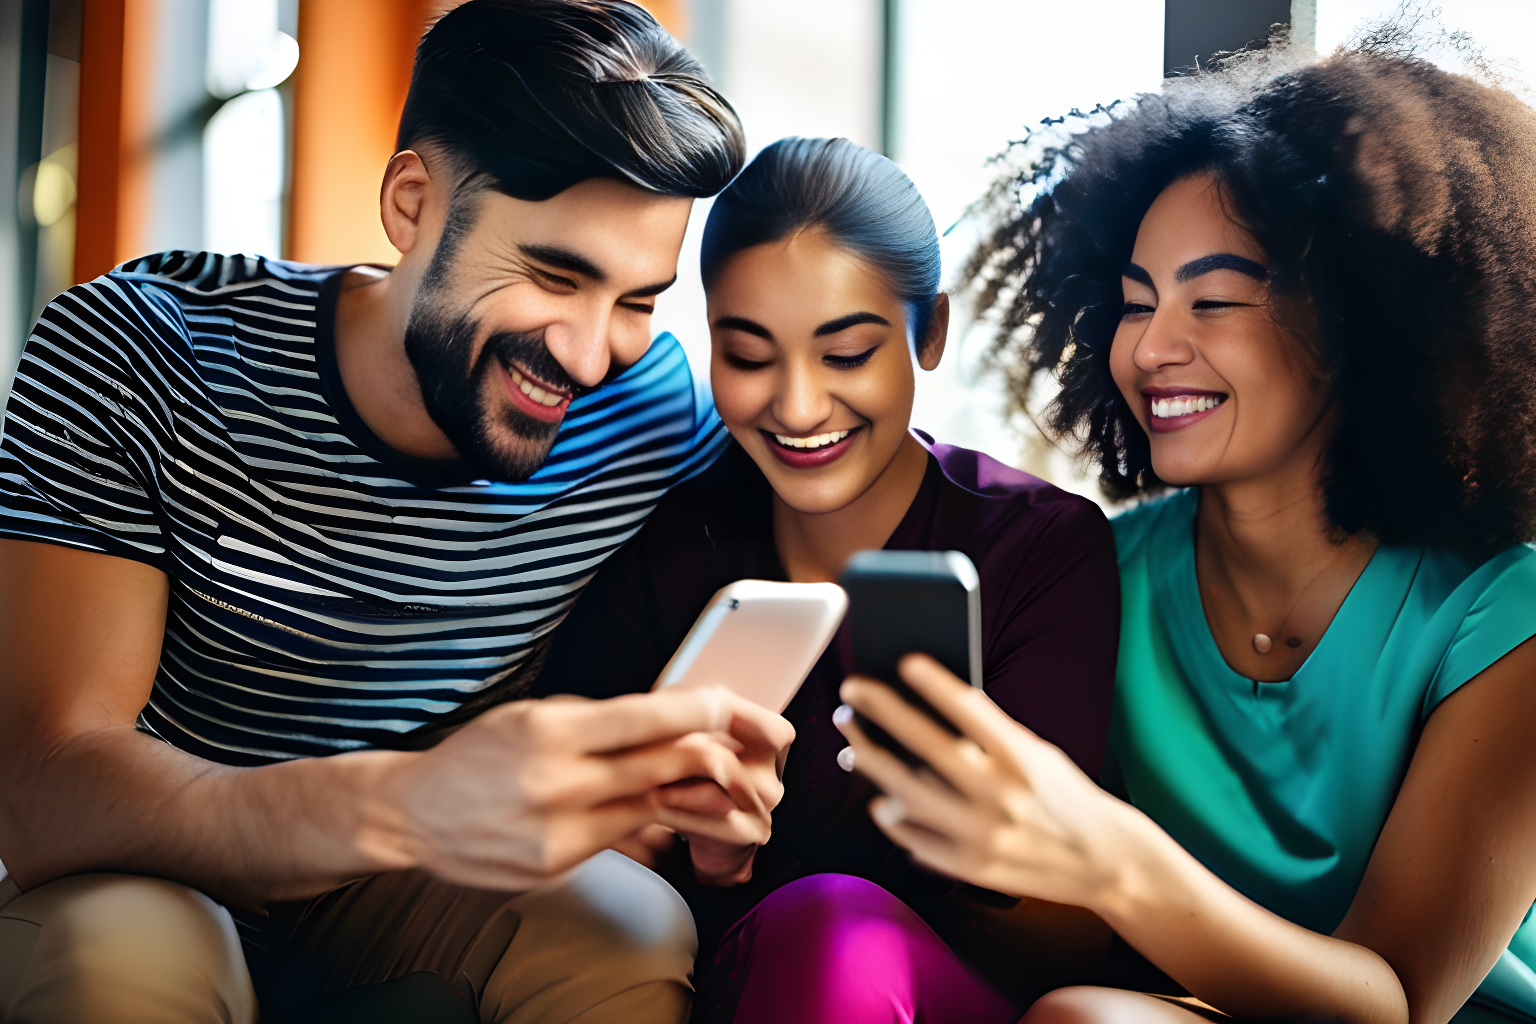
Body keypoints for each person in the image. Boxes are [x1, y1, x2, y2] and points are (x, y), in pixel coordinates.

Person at [0, 3, 797, 1023]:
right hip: (142, 868)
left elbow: (833, 485)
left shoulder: (646, 414)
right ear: (413, 202)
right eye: (555, 274)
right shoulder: (142, 352)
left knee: (622, 922)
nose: (593, 355)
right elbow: (43, 784)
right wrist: (403, 803)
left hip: (411, 891)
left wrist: (697, 792)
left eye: (638, 299)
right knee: (133, 952)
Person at [834, 42, 1536, 1024]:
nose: (1152, 348)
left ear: (1352, 327)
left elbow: (1397, 1000)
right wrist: (974, 843)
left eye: (1212, 301)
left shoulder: (1501, 610)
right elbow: (1064, 946)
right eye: (1133, 304)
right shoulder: (1101, 572)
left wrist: (1110, 854)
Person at [532, 136, 1121, 1022]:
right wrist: (702, 859)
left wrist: (978, 837)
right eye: (748, 355)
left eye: (845, 355)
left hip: (950, 994)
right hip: (725, 979)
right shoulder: (673, 542)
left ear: (931, 334)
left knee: (833, 927)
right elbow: (570, 855)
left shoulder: (1038, 549)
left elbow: (1069, 939)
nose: (799, 407)